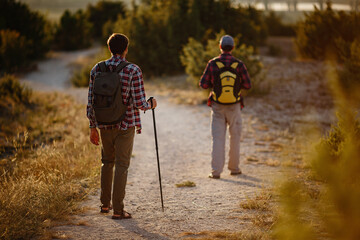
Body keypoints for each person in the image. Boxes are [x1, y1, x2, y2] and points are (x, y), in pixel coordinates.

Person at [87, 33, 157, 219]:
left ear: (109, 48)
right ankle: (118, 210)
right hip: (126, 124)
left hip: (103, 124)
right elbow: (141, 103)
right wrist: (152, 104)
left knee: (106, 162)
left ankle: (104, 205)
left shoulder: (97, 69)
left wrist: (92, 126)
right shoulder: (133, 70)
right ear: (126, 49)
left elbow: (90, 101)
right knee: (122, 165)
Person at [200, 35, 251, 179]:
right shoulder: (239, 64)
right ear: (233, 47)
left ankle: (216, 172)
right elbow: (248, 85)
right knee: (235, 137)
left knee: (218, 138)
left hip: (217, 106)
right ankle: (234, 169)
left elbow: (203, 84)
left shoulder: (212, 63)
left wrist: (214, 85)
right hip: (234, 106)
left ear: (220, 46)